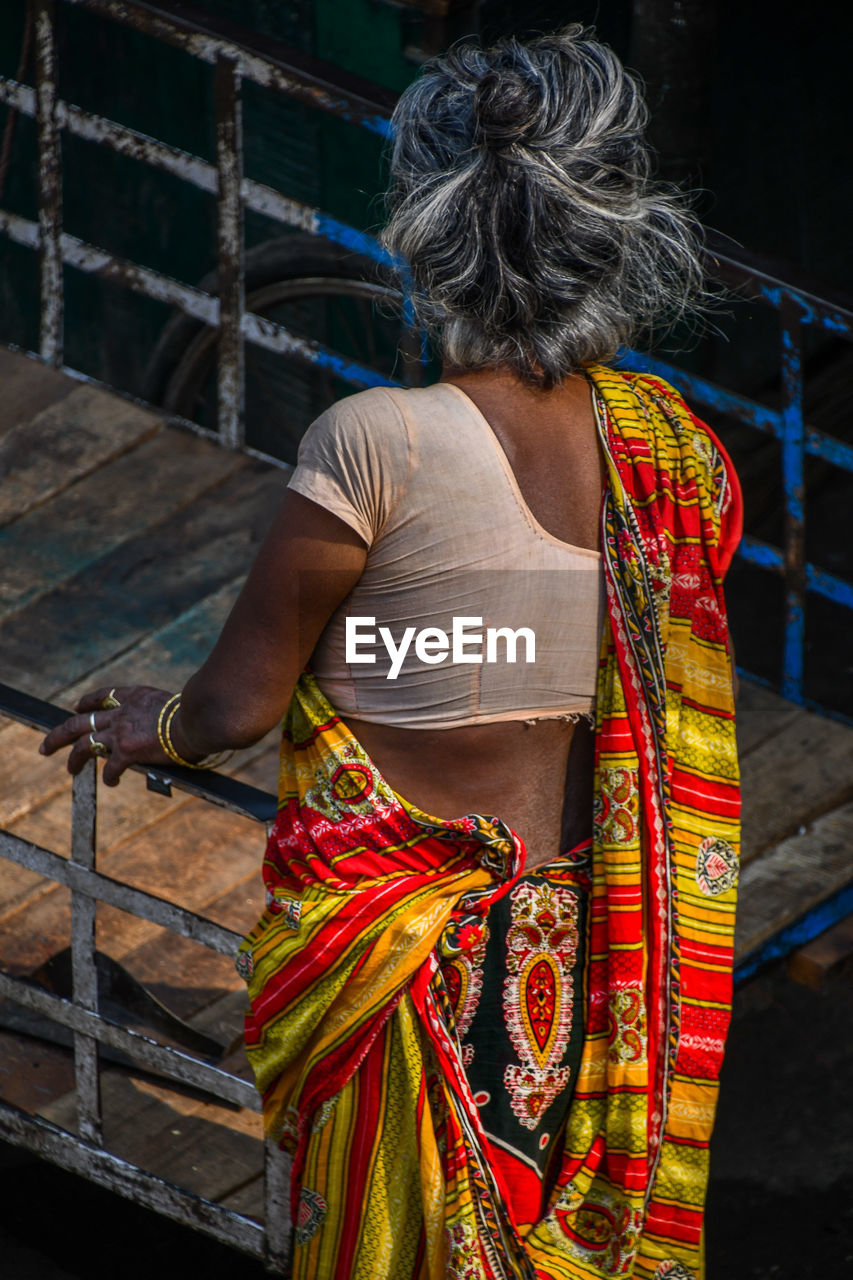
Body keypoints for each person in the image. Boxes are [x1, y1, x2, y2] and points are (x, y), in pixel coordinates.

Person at [41, 25, 742, 1280]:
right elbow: (561, 651)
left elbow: (242, 700)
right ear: (611, 232)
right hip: (583, 967)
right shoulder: (666, 453)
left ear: (419, 226)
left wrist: (163, 723)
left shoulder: (379, 443)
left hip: (410, 983)